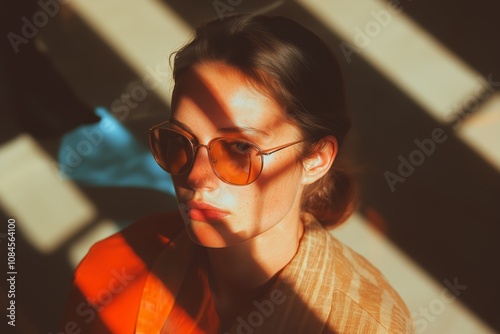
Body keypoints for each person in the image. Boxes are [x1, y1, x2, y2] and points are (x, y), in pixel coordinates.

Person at [61, 14, 414, 333]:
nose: (197, 177)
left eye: (240, 148)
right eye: (180, 141)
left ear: (317, 159)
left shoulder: (366, 325)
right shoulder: (112, 267)